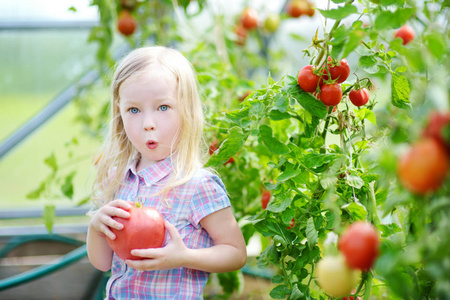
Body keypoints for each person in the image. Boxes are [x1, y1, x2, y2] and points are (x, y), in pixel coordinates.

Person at [86, 46, 247, 299]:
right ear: (120, 112)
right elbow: (103, 263)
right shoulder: (118, 178)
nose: (148, 123)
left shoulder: (197, 185)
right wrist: (95, 227)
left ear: (186, 110)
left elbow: (235, 253)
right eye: (134, 110)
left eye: (162, 107)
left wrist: (183, 257)